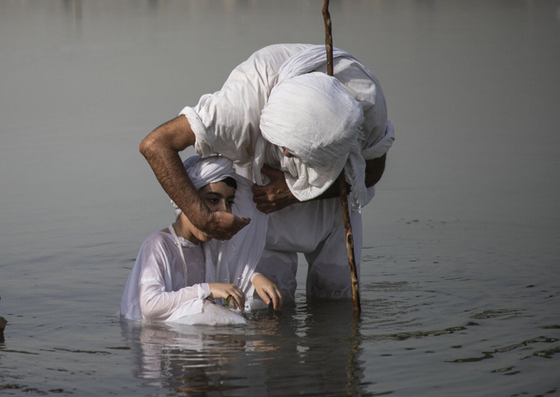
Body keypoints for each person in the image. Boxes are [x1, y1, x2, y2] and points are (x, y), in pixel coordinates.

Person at [139, 43, 395, 301]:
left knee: (337, 301)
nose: (285, 156)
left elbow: (370, 173)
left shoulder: (365, 102)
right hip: (260, 203)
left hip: (332, 198)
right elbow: (155, 145)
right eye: (283, 146)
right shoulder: (237, 108)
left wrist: (295, 192)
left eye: (297, 154)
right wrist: (204, 218)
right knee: (271, 308)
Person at [120, 155, 282, 325]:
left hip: (193, 343)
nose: (224, 211)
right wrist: (207, 289)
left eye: (229, 202)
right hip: (158, 339)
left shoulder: (211, 244)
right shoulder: (159, 243)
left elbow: (229, 271)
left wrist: (254, 278)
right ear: (188, 201)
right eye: (213, 200)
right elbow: (150, 306)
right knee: (212, 313)